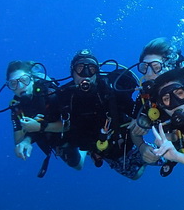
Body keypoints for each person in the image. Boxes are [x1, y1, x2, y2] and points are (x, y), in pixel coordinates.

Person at [54, 50, 145, 180]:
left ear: (97, 72)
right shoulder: (64, 95)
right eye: (80, 68)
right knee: (74, 162)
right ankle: (86, 152)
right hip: (93, 145)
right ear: (72, 72)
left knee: (136, 174)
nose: (86, 74)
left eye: (91, 69)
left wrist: (140, 121)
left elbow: (137, 111)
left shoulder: (110, 90)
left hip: (117, 142)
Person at [3, 60, 83, 175]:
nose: (20, 86)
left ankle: (87, 150)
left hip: (67, 131)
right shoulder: (17, 106)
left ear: (31, 79)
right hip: (48, 136)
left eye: (24, 80)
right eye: (13, 83)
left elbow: (67, 125)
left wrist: (40, 126)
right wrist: (26, 141)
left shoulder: (49, 94)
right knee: (76, 165)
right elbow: (18, 140)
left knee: (83, 151)